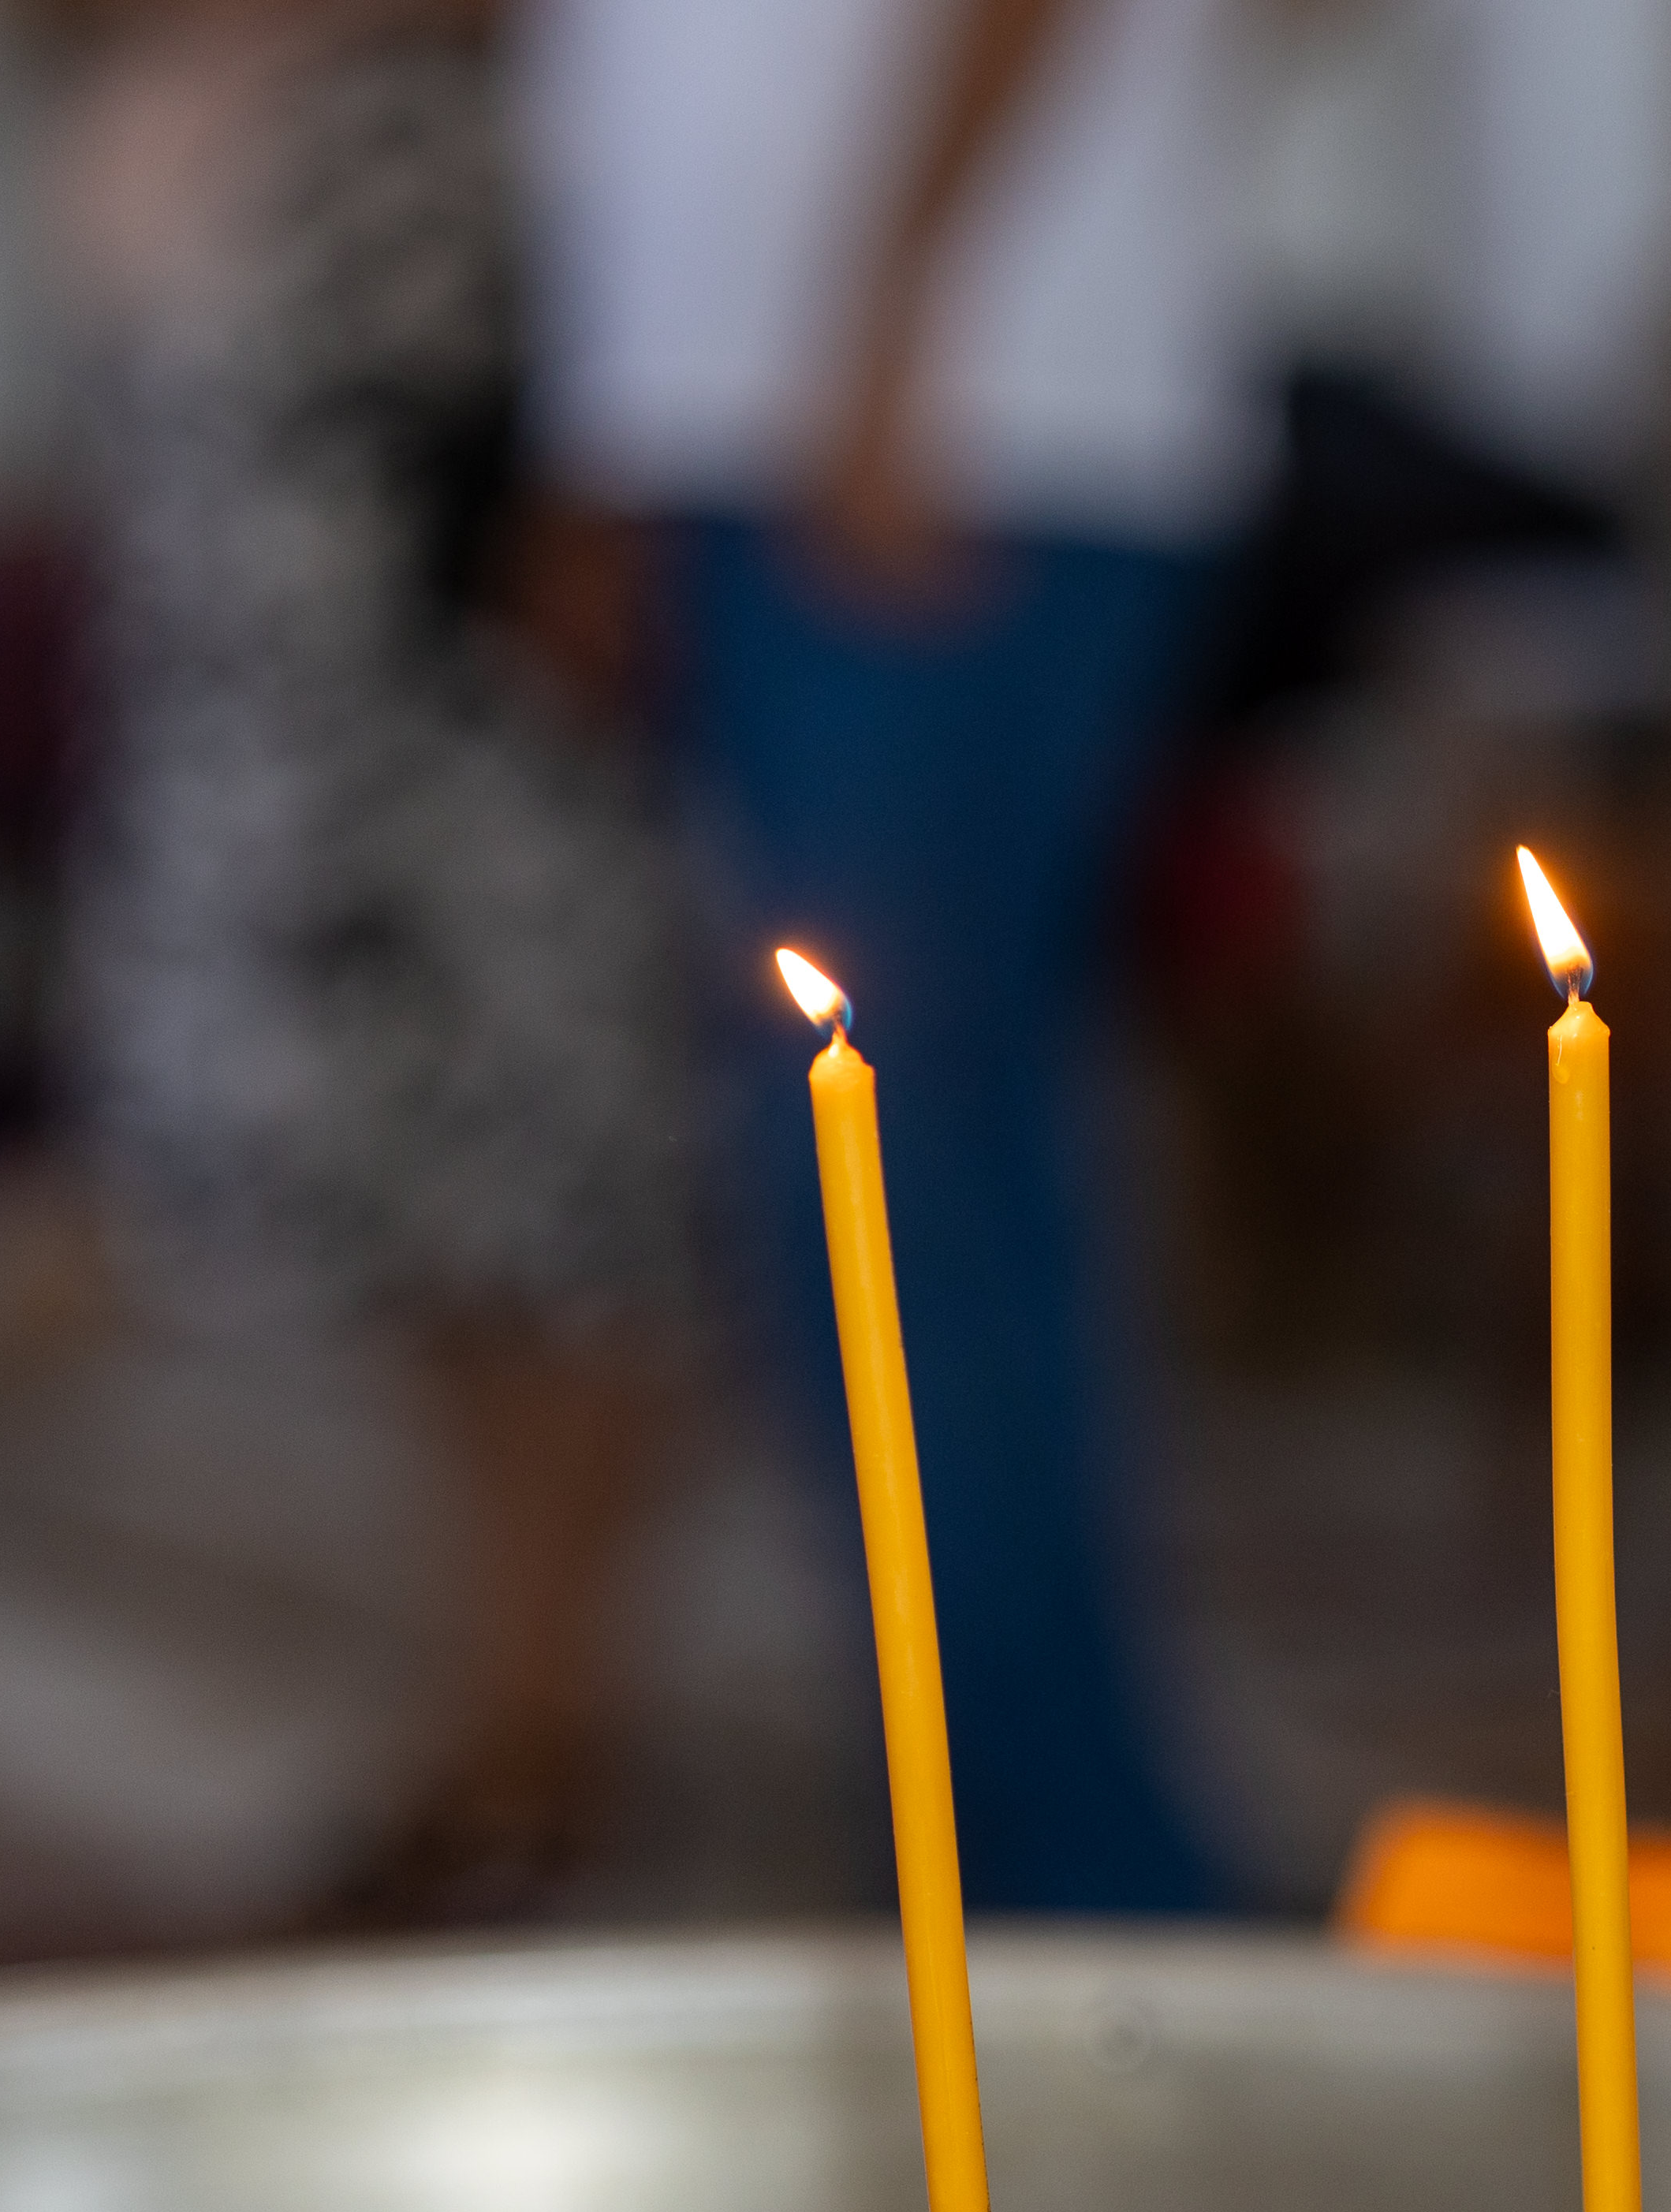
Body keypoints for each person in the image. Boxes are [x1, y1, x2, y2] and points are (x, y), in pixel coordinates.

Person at [517, 0, 1252, 1913]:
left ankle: (1072, 1876)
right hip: (789, 414)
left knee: (902, 1172)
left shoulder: (896, 362)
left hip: (949, 413)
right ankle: (1007, 1841)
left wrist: (884, 326)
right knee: (881, 1171)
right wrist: (617, 424)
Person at [45, 0, 692, 1923]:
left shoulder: (472, 105)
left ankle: (546, 1721)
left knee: (553, 1221)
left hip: (472, 741)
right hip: (279, 755)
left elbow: (585, 384)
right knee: (420, 1240)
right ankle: (488, 1703)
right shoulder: (169, 92)